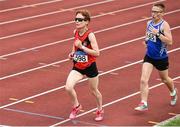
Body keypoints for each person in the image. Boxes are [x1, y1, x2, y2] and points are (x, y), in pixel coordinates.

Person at [135, 3, 178, 111]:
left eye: (156, 12)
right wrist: (146, 41)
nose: (153, 14)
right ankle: (144, 103)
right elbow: (148, 34)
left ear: (162, 13)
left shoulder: (164, 25)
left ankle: (173, 92)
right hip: (149, 56)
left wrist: (158, 34)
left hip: (161, 58)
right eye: (152, 11)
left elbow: (170, 41)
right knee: (143, 80)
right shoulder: (149, 23)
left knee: (165, 79)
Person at [65, 9, 104, 121]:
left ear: (87, 21)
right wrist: (72, 53)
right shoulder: (75, 32)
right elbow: (75, 45)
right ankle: (76, 106)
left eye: (80, 20)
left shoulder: (90, 35)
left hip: (90, 66)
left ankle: (100, 109)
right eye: (76, 19)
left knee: (94, 91)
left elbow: (97, 53)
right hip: (77, 65)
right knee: (68, 87)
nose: (77, 21)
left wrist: (82, 47)